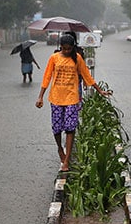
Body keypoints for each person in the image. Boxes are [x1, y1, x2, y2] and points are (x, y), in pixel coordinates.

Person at [35, 34, 111, 172]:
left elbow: (87, 75)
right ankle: (60, 148)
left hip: (72, 97)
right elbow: (47, 77)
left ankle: (67, 159)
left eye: (69, 49)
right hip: (56, 97)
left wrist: (100, 91)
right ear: (60, 47)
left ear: (72, 47)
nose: (66, 51)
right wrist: (40, 96)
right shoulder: (54, 58)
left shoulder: (77, 58)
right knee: (57, 128)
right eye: (64, 49)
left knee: (70, 128)